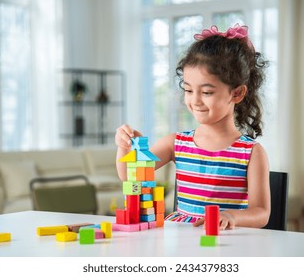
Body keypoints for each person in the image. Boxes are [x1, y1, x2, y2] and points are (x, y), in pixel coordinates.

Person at [115, 24, 270, 230]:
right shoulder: (176, 143)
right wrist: (123, 146)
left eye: (206, 92)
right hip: (180, 238)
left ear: (237, 93)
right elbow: (129, 175)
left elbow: (261, 213)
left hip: (223, 240)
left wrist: (232, 216)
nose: (195, 101)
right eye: (188, 90)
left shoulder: (251, 152)